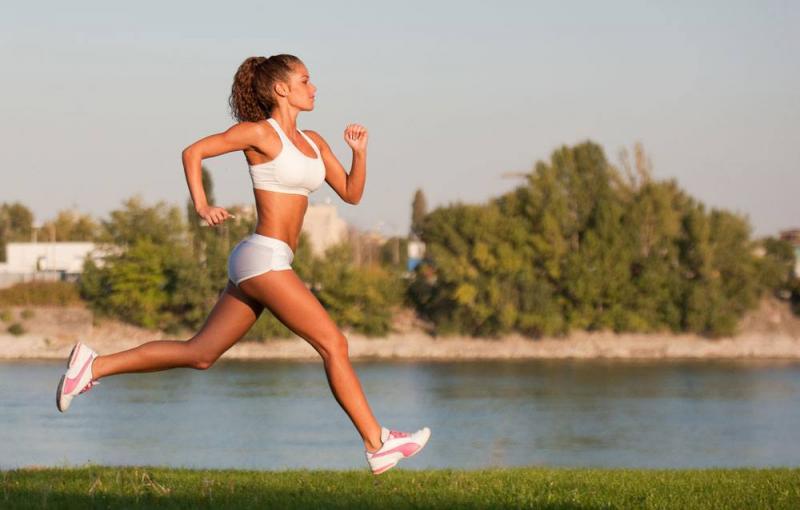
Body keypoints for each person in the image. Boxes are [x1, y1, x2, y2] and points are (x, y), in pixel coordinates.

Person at [55, 53, 430, 475]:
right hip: (263, 257)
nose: (314, 87)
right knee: (334, 344)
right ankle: (377, 442)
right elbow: (193, 152)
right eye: (305, 80)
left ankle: (94, 365)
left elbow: (350, 193)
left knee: (200, 354)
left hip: (266, 260)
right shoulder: (258, 134)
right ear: (281, 89)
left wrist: (359, 153)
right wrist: (201, 204)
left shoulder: (315, 142)